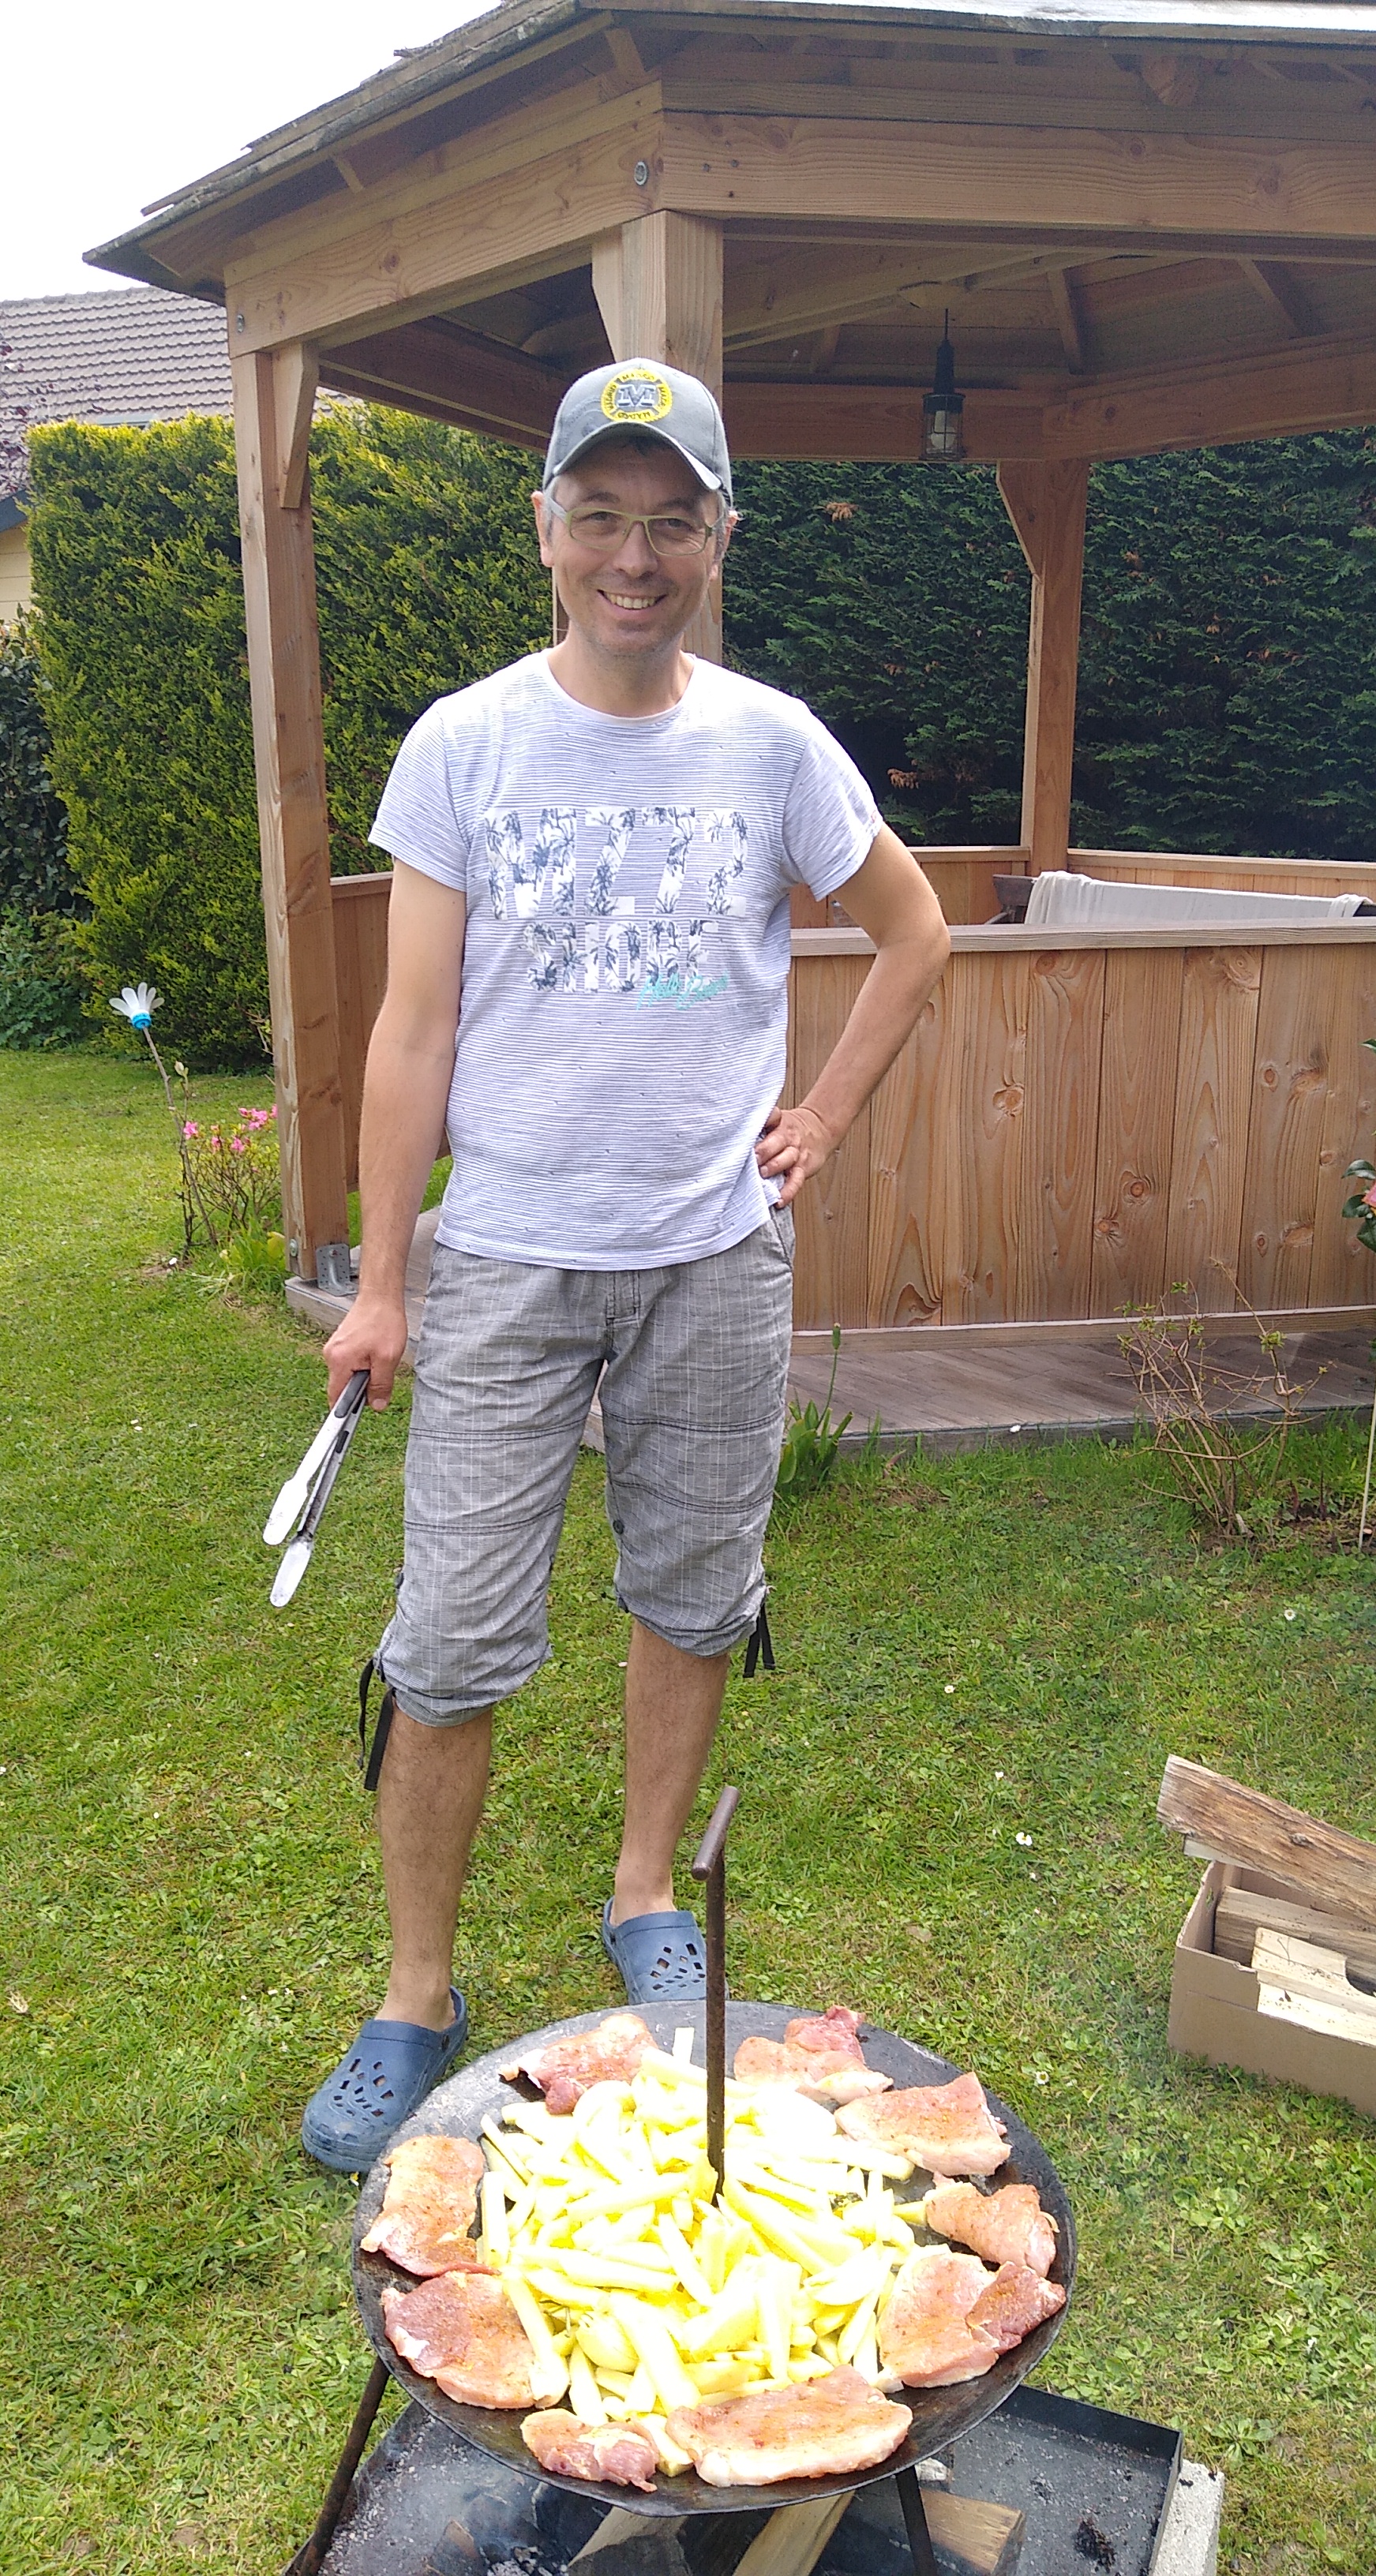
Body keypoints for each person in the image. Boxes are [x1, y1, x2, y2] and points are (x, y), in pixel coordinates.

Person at [300, 358, 950, 2172]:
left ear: (720, 538)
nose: (634, 556)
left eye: (672, 521)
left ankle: (645, 1892)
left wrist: (822, 1115)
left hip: (711, 1260)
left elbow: (914, 932)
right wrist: (383, 1283)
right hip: (508, 1260)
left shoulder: (773, 744)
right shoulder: (466, 746)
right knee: (450, 1642)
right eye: (601, 515)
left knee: (693, 1596)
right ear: (546, 530)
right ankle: (414, 1996)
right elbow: (410, 1030)